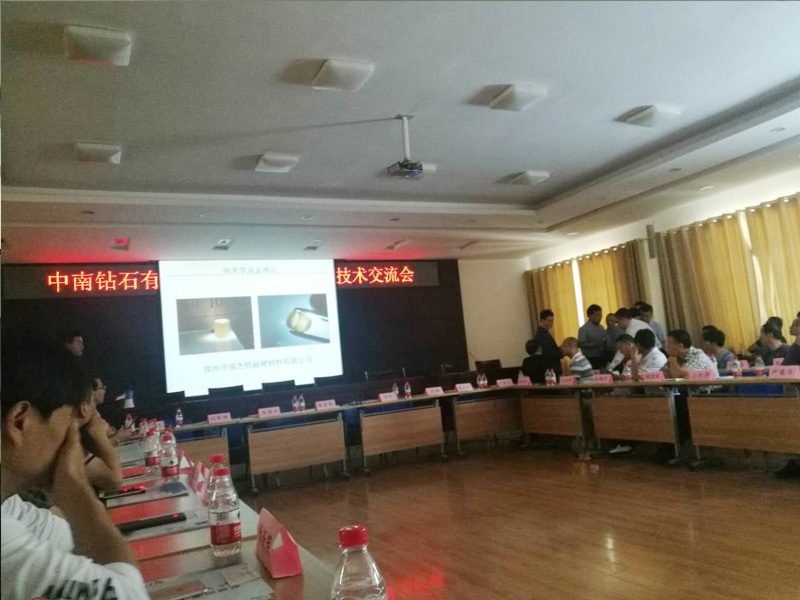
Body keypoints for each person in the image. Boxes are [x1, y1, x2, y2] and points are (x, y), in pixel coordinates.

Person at [1, 326, 148, 600]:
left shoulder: (8, 504)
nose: (71, 436)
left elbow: (60, 534)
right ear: (20, 422)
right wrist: (76, 488)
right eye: (66, 421)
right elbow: (129, 595)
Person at [76, 391, 124, 491]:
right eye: (92, 402)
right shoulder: (66, 444)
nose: (95, 410)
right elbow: (115, 481)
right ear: (83, 408)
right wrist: (99, 434)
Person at [775, 311, 800, 479]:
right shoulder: (795, 347)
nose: (791, 326)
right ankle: (795, 462)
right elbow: (786, 368)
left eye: (796, 323)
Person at [533, 309, 563, 377]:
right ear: (542, 320)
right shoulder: (541, 335)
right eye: (549, 321)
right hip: (550, 369)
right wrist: (561, 351)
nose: (551, 323)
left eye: (552, 320)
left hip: (551, 368)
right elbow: (549, 352)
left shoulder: (545, 333)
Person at [577, 304, 607, 370]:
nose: (599, 317)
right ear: (590, 316)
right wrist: (595, 344)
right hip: (589, 359)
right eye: (597, 315)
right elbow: (581, 344)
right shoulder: (584, 329)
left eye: (600, 314)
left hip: (601, 357)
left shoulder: (601, 328)